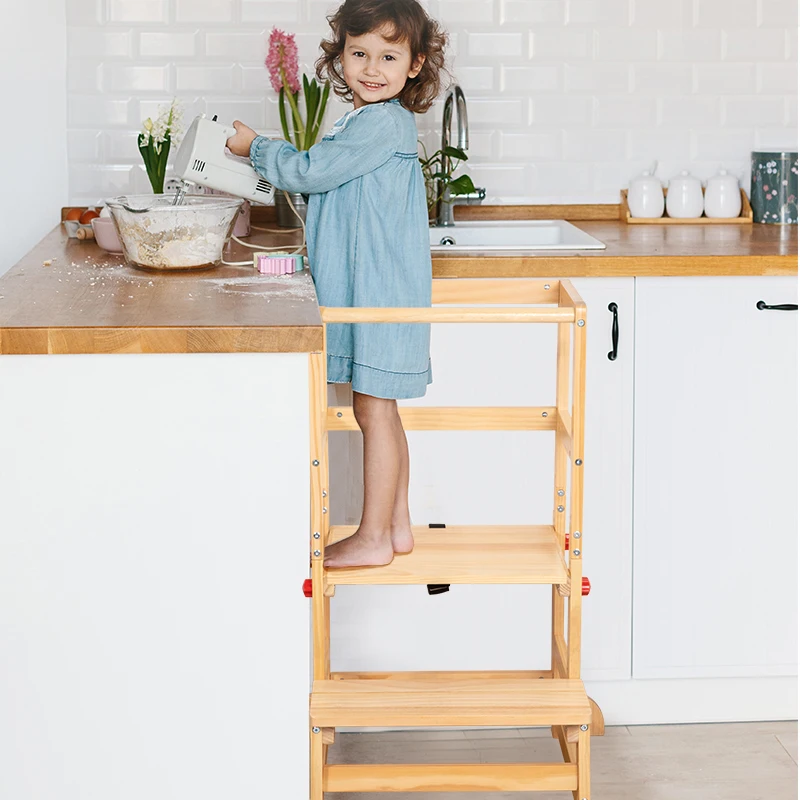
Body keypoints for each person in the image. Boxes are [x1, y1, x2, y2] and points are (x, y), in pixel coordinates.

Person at [226, 0, 447, 568]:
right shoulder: (368, 121)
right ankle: (395, 528)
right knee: (381, 411)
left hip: (377, 295)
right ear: (341, 56)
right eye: (359, 53)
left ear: (415, 64)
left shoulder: (382, 123)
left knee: (373, 413)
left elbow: (310, 171)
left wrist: (256, 149)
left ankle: (373, 537)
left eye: (389, 56)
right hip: (377, 291)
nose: (372, 68)